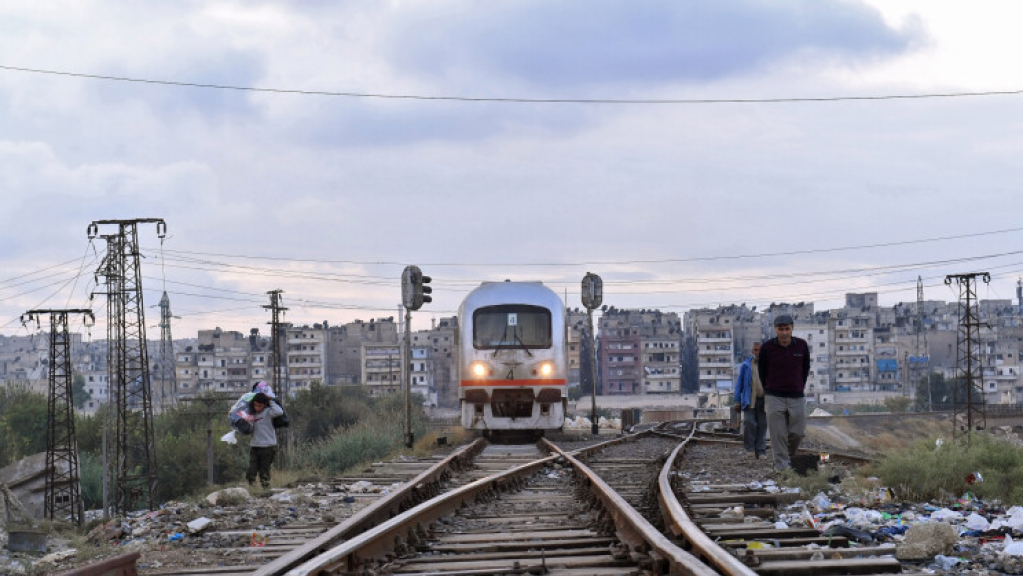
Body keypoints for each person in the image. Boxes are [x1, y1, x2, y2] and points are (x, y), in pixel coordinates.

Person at [758, 315, 810, 471]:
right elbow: (762, 372)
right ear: (775, 330)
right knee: (778, 434)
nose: (784, 333)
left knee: (798, 432)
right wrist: (769, 389)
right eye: (781, 329)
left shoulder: (801, 346)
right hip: (774, 397)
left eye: (787, 329)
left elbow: (805, 369)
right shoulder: (767, 348)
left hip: (796, 396)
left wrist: (799, 386)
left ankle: (787, 458)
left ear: (792, 328)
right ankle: (782, 469)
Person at [734, 341, 767, 459]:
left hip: (764, 400)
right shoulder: (746, 365)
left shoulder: (768, 364)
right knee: (749, 423)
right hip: (749, 400)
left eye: (760, 350)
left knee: (762, 426)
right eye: (756, 350)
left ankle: (761, 451)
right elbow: (739, 384)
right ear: (753, 351)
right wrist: (737, 401)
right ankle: (750, 449)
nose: (758, 352)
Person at [246, 392, 284, 489]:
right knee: (251, 471)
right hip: (255, 446)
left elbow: (279, 411)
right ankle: (253, 489)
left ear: (264, 405)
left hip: (267, 447)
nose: (257, 408)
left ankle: (266, 491)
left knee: (264, 472)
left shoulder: (268, 412)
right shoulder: (251, 414)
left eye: (260, 405)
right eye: (255, 405)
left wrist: (270, 400)